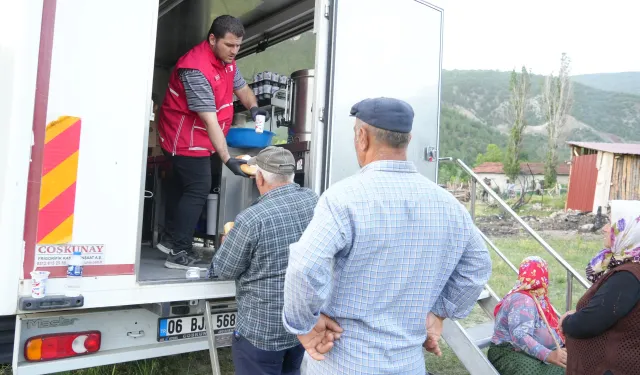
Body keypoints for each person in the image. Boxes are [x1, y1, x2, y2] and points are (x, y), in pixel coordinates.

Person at [281, 97, 492, 375]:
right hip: (410, 365)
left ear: (362, 136)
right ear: (408, 139)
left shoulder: (344, 199)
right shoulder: (449, 205)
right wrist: (439, 313)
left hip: (345, 363)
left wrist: (303, 325)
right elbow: (477, 265)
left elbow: (305, 266)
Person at [156, 15, 268, 269]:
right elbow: (210, 121)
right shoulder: (195, 69)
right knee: (198, 187)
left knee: (184, 186)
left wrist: (254, 108)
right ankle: (178, 252)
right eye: (229, 45)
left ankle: (170, 237)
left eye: (238, 45)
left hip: (202, 136)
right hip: (183, 136)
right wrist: (228, 159)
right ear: (212, 39)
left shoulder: (227, 60)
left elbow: (242, 88)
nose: (234, 51)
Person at [207, 146, 318, 375]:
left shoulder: (251, 219)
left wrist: (230, 242)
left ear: (258, 177)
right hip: (301, 325)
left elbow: (224, 270)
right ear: (291, 175)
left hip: (262, 333)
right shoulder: (314, 201)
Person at [561, 214, 640, 375]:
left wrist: (567, 322)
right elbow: (610, 311)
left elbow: (590, 322)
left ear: (629, 231)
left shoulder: (628, 276)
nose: (604, 227)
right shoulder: (628, 267)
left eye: (611, 222)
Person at [488, 256, 566, 375]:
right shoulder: (523, 299)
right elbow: (520, 336)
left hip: (527, 351)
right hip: (507, 352)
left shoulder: (540, 299)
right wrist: (549, 355)